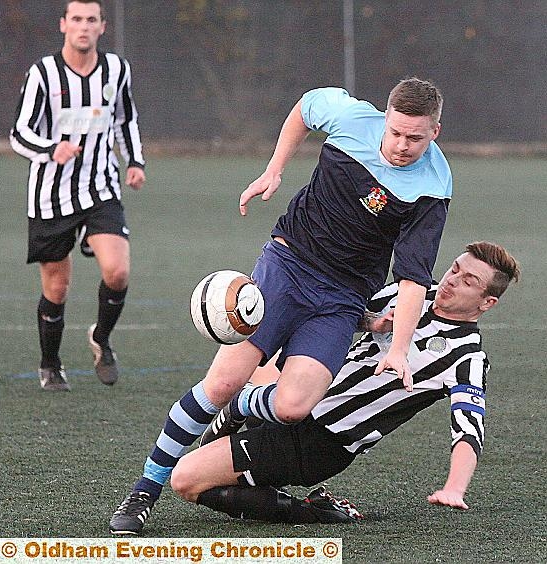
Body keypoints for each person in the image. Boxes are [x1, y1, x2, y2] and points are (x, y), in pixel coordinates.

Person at [109, 77, 451, 533]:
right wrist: (275, 169)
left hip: (341, 299)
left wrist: (398, 348)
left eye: (416, 137)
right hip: (288, 265)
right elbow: (306, 108)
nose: (403, 145)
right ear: (385, 118)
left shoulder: (433, 185)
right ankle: (144, 491)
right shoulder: (351, 118)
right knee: (221, 381)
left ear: (435, 132)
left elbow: (412, 278)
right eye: (396, 132)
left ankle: (241, 408)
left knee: (293, 406)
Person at [160, 242, 518, 527]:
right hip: (296, 393)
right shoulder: (411, 295)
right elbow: (345, 311)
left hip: (317, 441)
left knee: (185, 480)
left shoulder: (466, 357)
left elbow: (469, 431)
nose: (452, 280)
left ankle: (313, 511)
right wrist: (373, 322)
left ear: (488, 303)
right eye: (455, 268)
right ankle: (239, 421)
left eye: (468, 281)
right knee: (254, 357)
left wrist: (455, 488)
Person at [10, 0, 145, 391]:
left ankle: (101, 339)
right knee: (56, 287)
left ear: (102, 27)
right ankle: (50, 364)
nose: (83, 27)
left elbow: (125, 119)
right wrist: (53, 148)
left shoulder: (116, 69)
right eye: (77, 20)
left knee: (117, 271)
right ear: (63, 25)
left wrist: (134, 161)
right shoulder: (44, 74)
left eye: (91, 20)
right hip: (50, 196)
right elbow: (19, 132)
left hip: (101, 188)